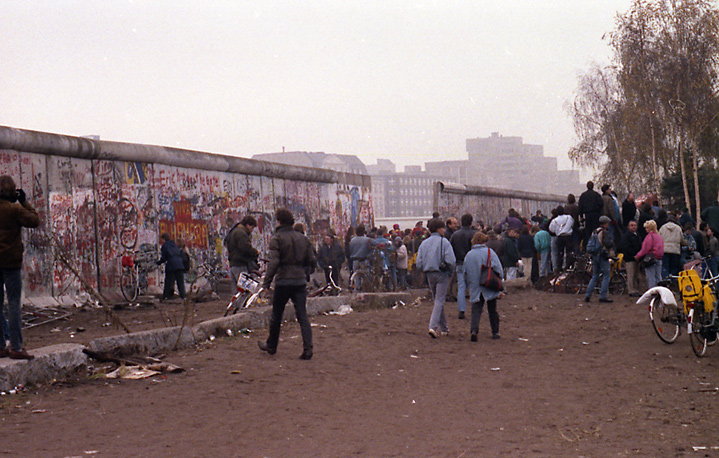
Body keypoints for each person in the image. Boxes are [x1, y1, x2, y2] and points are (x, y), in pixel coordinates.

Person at [258, 208, 317, 360]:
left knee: (277, 314)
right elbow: (312, 260)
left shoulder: (276, 238)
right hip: (299, 281)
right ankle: (308, 348)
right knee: (302, 315)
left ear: (278, 221)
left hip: (283, 281)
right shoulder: (302, 238)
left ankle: (272, 345)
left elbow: (274, 262)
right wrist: (306, 272)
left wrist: (266, 282)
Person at [0, 176, 40, 360]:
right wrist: (24, 202)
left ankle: (1, 346)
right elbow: (34, 220)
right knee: (14, 303)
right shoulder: (15, 210)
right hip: (11, 263)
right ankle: (16, 347)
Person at [416, 218, 456, 338]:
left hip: (429, 274)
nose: (444, 230)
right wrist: (450, 271)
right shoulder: (444, 242)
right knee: (439, 301)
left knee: (438, 300)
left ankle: (444, 328)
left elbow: (419, 263)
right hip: (442, 273)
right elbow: (451, 260)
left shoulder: (424, 243)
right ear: (439, 229)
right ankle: (432, 327)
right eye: (443, 228)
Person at [464, 231, 504, 341]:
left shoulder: (469, 255)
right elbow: (498, 269)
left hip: (475, 286)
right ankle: (495, 332)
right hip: (489, 284)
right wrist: (500, 281)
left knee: (476, 310)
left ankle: (474, 330)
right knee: (492, 310)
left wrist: (468, 284)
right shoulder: (490, 252)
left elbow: (465, 272)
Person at [450, 213, 476, 319]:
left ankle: (461, 310)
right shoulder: (475, 234)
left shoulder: (455, 235)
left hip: (459, 263)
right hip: (472, 263)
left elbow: (451, 250)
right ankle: (475, 309)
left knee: (461, 286)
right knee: (474, 286)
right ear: (471, 222)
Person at [584, 216, 615, 303]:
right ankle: (603, 295)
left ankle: (588, 294)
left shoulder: (594, 231)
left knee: (595, 275)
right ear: (605, 224)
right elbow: (608, 243)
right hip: (602, 255)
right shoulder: (605, 232)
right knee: (606, 275)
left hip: (594, 255)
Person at [225, 215, 259, 286]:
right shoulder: (241, 233)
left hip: (233, 265)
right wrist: (256, 252)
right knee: (245, 289)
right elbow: (246, 248)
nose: (252, 230)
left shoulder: (234, 231)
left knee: (238, 292)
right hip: (240, 265)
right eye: (252, 228)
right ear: (247, 225)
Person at [635, 220, 664, 289]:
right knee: (658, 276)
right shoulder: (658, 236)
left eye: (646, 227)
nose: (645, 229)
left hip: (651, 259)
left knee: (650, 277)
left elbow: (645, 249)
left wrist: (637, 256)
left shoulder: (649, 237)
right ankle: (660, 291)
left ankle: (652, 292)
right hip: (659, 258)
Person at [157, 233, 186, 300]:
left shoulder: (165, 246)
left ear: (164, 239)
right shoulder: (174, 245)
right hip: (179, 264)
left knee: (168, 281)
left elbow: (164, 258)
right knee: (180, 282)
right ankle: (183, 296)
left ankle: (166, 296)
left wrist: (158, 262)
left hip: (171, 265)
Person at [620, 220, 643, 297]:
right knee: (631, 275)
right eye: (632, 225)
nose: (633, 227)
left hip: (637, 258)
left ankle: (636, 289)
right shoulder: (626, 236)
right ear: (628, 227)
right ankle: (631, 290)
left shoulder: (638, 235)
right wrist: (633, 255)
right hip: (629, 258)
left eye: (635, 225)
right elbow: (626, 247)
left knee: (637, 275)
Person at [578, 181, 604, 249]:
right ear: (593, 186)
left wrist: (581, 216)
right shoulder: (596, 195)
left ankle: (587, 246)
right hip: (595, 214)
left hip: (587, 215)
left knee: (588, 231)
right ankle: (596, 245)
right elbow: (601, 204)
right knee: (595, 230)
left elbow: (580, 206)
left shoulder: (583, 195)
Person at [548, 206, 574, 271]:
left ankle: (560, 268)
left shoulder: (554, 220)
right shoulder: (569, 217)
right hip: (568, 236)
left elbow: (551, 229)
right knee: (569, 252)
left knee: (560, 253)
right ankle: (569, 266)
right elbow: (572, 224)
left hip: (560, 237)